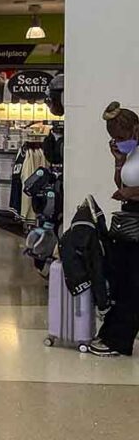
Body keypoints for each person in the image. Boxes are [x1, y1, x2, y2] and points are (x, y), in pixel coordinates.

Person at [87, 102, 139, 357]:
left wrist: (131, 193)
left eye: (121, 137)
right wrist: (118, 161)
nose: (118, 142)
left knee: (132, 283)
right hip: (129, 221)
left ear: (135, 129)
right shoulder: (131, 153)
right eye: (114, 139)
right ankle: (115, 333)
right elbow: (122, 181)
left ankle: (118, 339)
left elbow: (131, 188)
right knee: (121, 279)